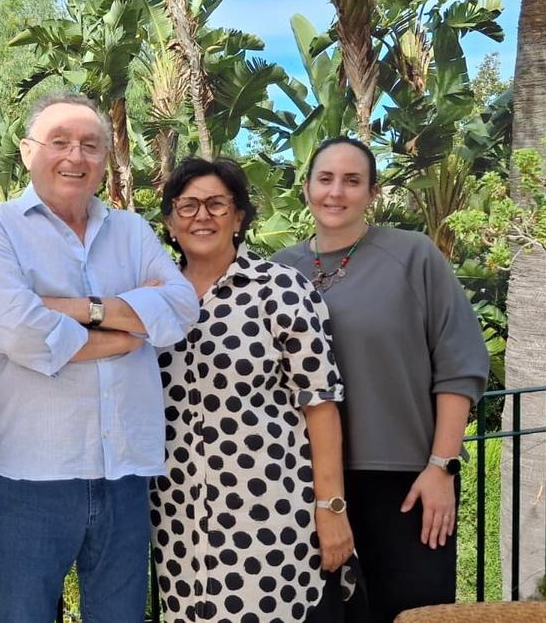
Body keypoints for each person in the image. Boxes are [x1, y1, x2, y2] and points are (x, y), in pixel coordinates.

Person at [0, 92, 200, 622]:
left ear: (105, 159)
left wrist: (75, 309)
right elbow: (17, 330)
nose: (76, 156)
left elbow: (182, 307)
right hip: (31, 475)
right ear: (28, 151)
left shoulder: (132, 230)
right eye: (60, 142)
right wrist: (123, 329)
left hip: (125, 472)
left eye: (90, 145)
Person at [273, 136, 489, 622]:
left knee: (415, 613)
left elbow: (460, 364)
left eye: (352, 181)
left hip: (406, 483)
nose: (336, 192)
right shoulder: (278, 272)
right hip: (305, 484)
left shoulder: (413, 257)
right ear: (307, 187)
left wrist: (441, 467)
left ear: (372, 193)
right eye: (325, 179)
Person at [152, 157, 356, 622]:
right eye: (187, 206)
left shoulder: (281, 290)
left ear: (239, 216)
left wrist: (331, 509)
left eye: (217, 204)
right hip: (176, 517)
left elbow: (320, 403)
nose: (201, 216)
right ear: (169, 220)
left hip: (267, 516)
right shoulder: (153, 297)